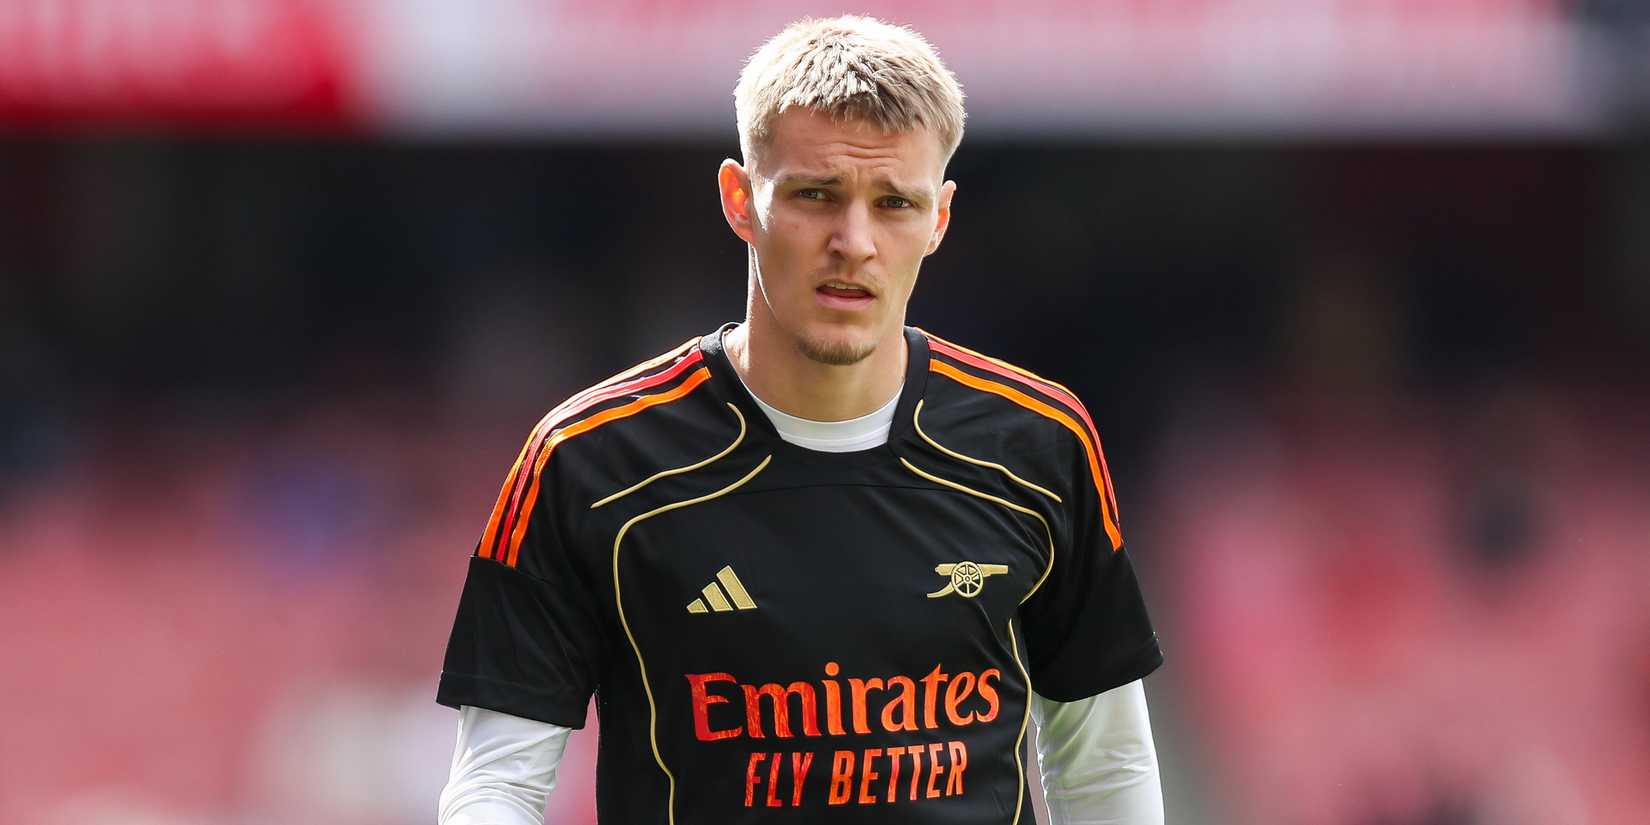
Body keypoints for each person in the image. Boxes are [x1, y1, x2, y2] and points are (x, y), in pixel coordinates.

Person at [436, 15, 1163, 824]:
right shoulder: (586, 462)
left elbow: (1106, 765)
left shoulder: (1039, 443)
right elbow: (497, 786)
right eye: (817, 195)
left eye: (894, 203)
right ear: (740, 200)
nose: (854, 242)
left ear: (940, 219)